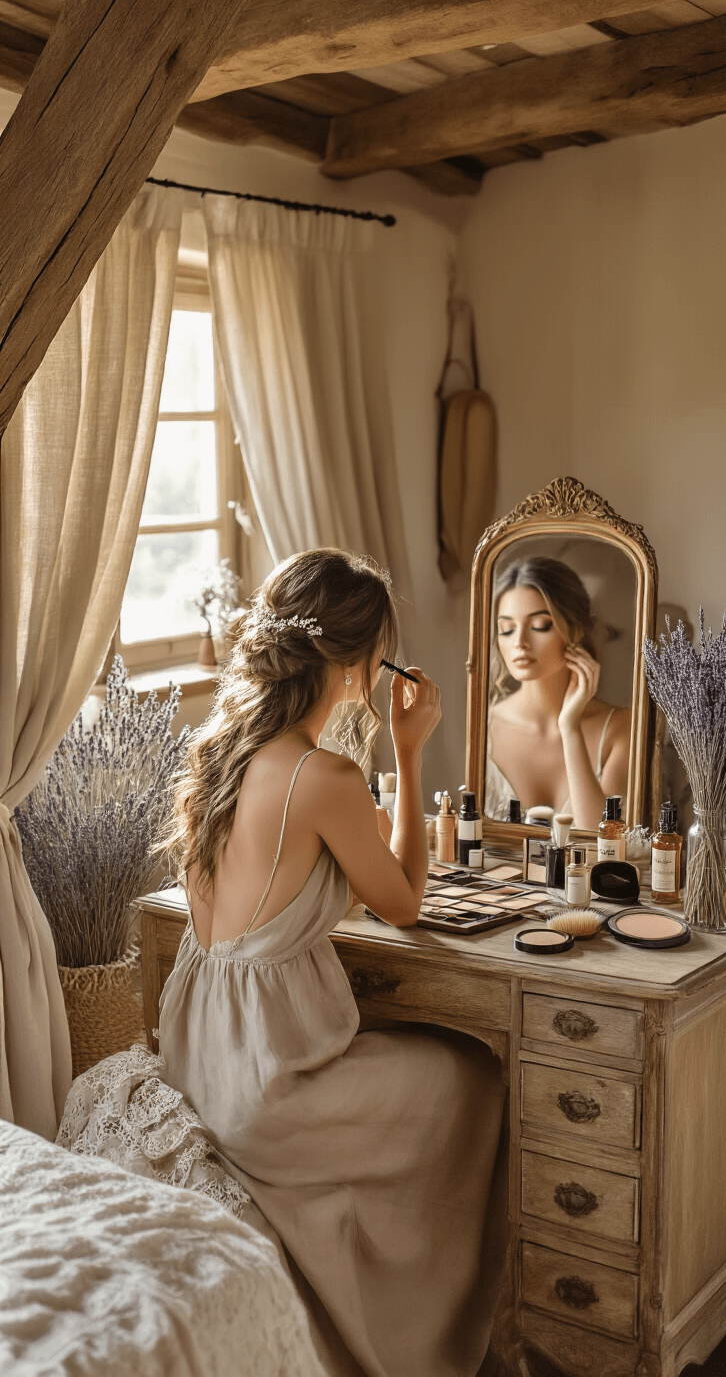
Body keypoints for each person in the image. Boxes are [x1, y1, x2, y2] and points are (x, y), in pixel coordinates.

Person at [155, 548, 506, 1377]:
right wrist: (414, 752)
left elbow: (274, 896)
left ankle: (362, 1305)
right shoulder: (326, 775)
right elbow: (407, 901)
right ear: (356, 666)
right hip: (275, 1084)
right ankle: (429, 1337)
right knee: (475, 1077)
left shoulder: (218, 753)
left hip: (204, 1060)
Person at [485, 555, 630, 829]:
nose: (520, 643)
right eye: (506, 629)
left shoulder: (620, 727)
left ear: (575, 630)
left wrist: (570, 727)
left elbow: (600, 844)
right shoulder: (486, 727)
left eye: (539, 625)